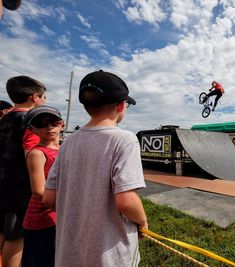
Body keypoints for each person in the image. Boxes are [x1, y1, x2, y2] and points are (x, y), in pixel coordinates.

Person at [43, 70, 148, 267]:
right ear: (121, 105)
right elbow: (126, 202)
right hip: (110, 256)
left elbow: (48, 198)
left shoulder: (68, 142)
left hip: (68, 253)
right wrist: (142, 222)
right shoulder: (124, 140)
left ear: (86, 106)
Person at [0, 76, 47, 267]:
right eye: (44, 97)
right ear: (35, 97)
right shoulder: (30, 122)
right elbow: (33, 157)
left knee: (2, 233)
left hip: (2, 187)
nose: (44, 101)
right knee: (15, 239)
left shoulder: (4, 117)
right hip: (19, 192)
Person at [21, 106, 63, 267]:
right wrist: (68, 207)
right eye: (41, 123)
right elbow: (39, 191)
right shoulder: (37, 153)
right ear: (31, 129)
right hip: (41, 221)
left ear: (62, 125)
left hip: (58, 218)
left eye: (54, 122)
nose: (49, 127)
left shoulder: (64, 150)